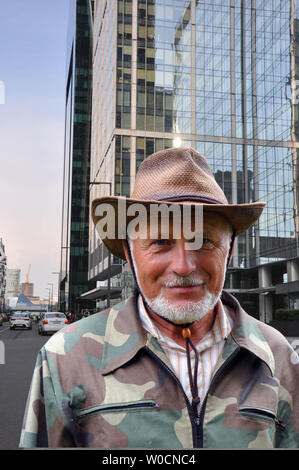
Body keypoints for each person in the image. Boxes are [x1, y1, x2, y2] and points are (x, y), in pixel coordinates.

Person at [19, 147, 299, 449]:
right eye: (161, 242)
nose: (183, 266)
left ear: (229, 251)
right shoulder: (64, 358)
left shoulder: (277, 356)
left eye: (203, 240)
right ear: (130, 253)